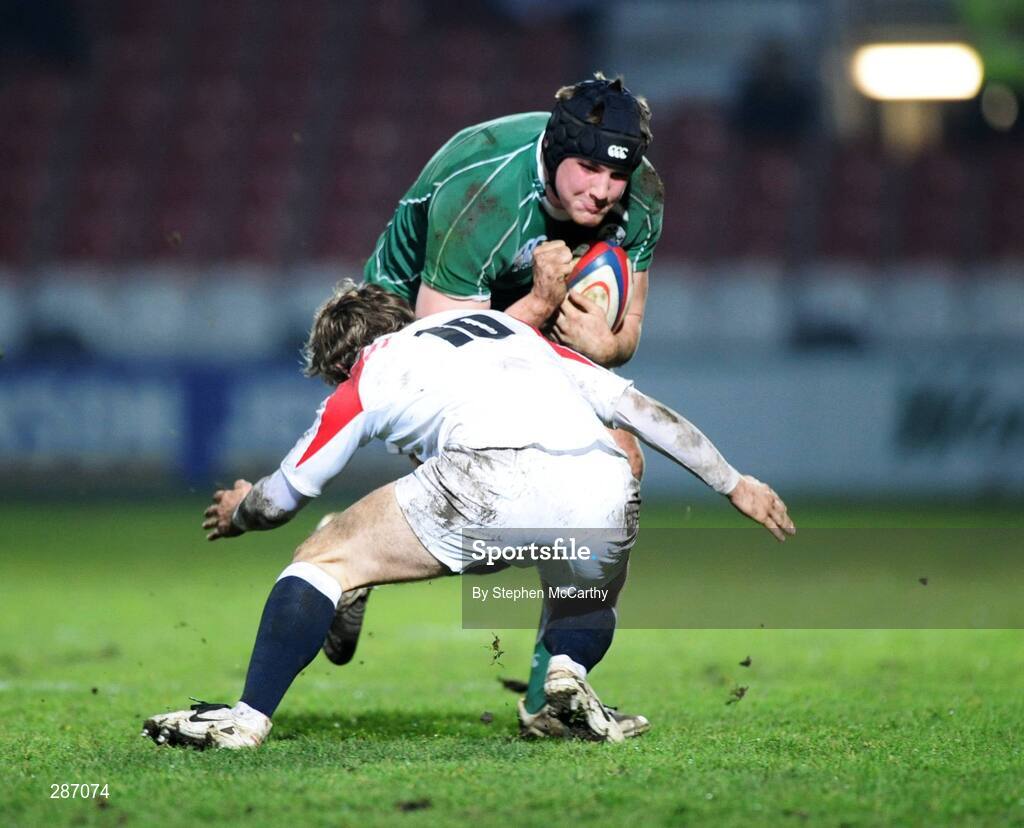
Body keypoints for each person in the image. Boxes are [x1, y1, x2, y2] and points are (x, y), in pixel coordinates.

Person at [141, 282, 795, 750]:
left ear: (343, 361)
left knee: (322, 558)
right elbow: (641, 411)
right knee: (579, 595)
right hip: (604, 479)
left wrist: (240, 512)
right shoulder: (514, 333)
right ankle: (557, 685)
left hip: (486, 478)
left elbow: (284, 495)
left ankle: (246, 720)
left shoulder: (370, 371)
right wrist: (734, 483)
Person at [357, 73, 664, 714]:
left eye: (616, 177)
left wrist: (600, 346)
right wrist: (542, 303)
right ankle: (347, 562)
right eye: (586, 170)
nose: (603, 191)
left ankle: (551, 693)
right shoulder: (481, 194)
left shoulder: (642, 197)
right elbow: (448, 352)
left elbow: (627, 331)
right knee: (489, 499)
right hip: (413, 324)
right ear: (554, 152)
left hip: (531, 309)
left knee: (620, 464)